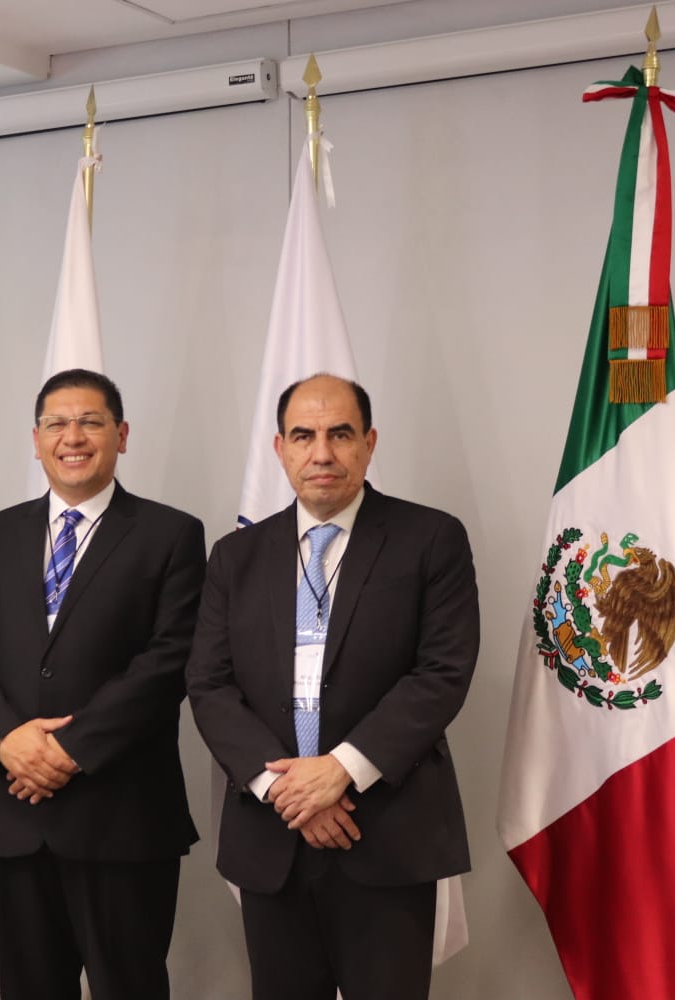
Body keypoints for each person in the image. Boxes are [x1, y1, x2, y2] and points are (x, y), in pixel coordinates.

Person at [186, 373, 479, 1000]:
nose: (322, 453)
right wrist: (288, 789)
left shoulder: (431, 539)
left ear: (369, 443)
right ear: (280, 449)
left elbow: (442, 672)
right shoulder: (235, 557)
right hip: (273, 835)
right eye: (304, 436)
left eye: (340, 434)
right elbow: (208, 684)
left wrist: (340, 770)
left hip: (387, 833)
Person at [0, 368, 204, 1000]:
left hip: (122, 815)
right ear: (36, 440)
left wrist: (68, 750)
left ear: (122, 435)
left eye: (90, 422)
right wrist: (6, 741)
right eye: (56, 424)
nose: (73, 437)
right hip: (13, 811)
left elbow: (170, 659)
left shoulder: (171, 534)